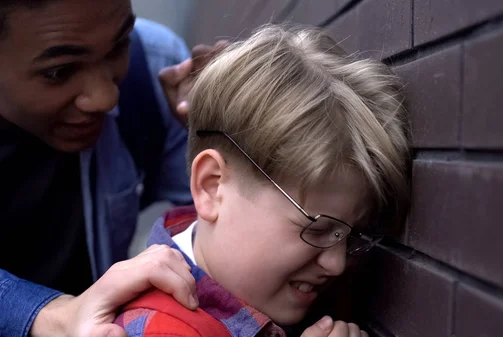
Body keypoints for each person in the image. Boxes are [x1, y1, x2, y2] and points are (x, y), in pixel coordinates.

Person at [115, 24, 410, 337]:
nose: (336, 265)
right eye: (319, 229)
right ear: (212, 187)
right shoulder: (160, 330)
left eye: (353, 237)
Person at [0, 1, 226, 336]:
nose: (106, 98)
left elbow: (223, 228)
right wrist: (48, 315)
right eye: (59, 72)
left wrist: (227, 135)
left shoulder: (156, 69)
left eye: (119, 47)